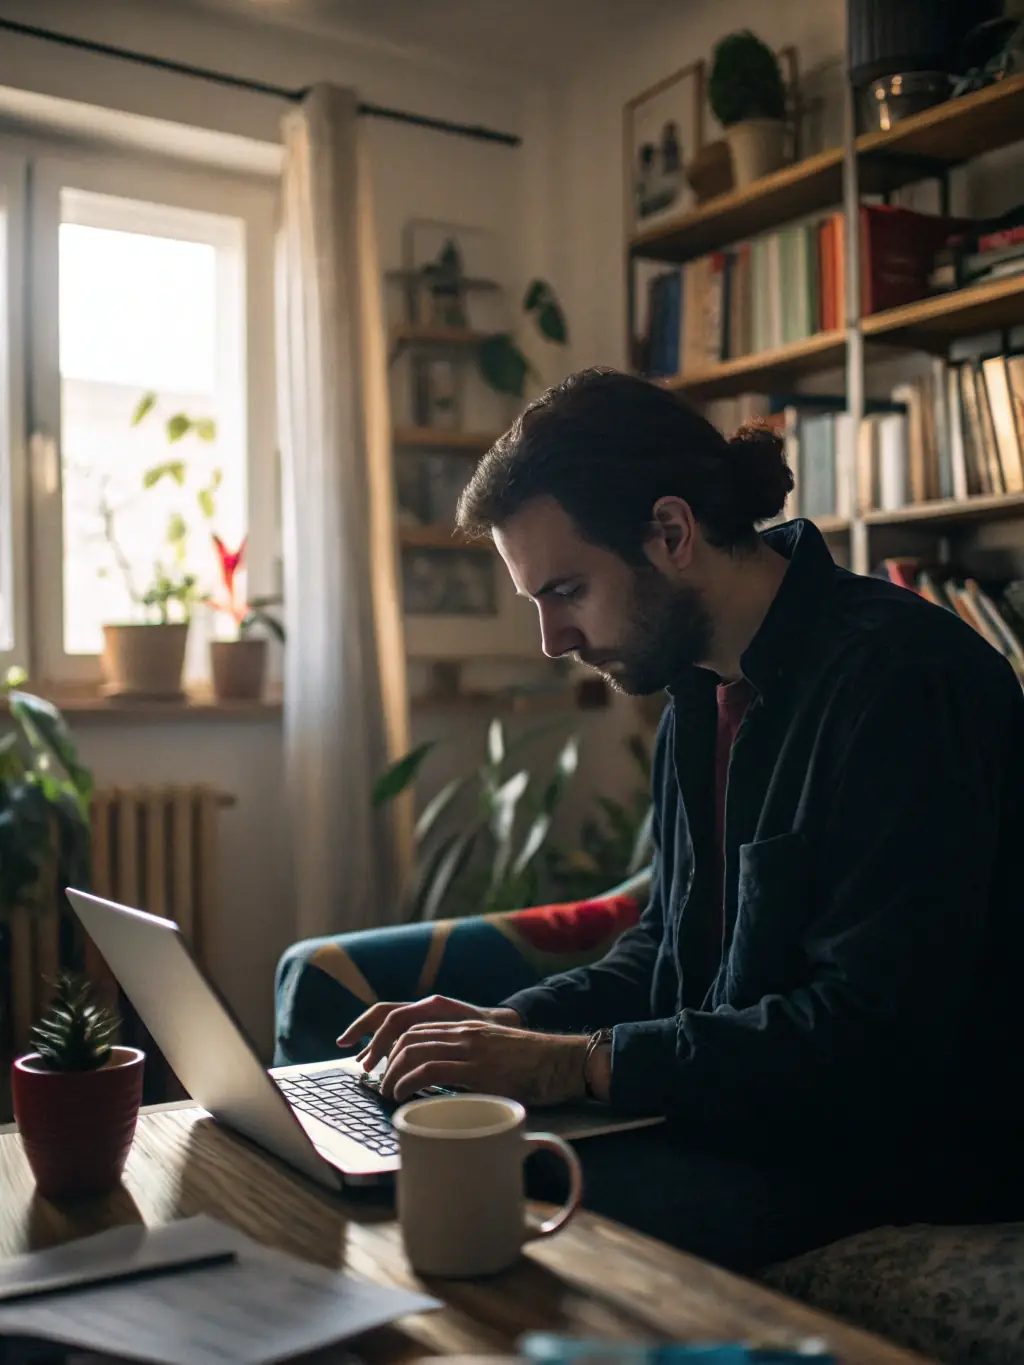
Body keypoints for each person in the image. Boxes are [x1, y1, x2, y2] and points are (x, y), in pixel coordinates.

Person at [339, 369, 1024, 1271]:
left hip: (898, 1151)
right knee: (406, 1148)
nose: (554, 641)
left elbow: (868, 1041)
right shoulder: (696, 693)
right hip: (743, 1118)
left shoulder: (903, 683)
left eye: (568, 591)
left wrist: (573, 1064)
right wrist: (502, 1027)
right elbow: (666, 946)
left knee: (470, 1185)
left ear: (671, 532)